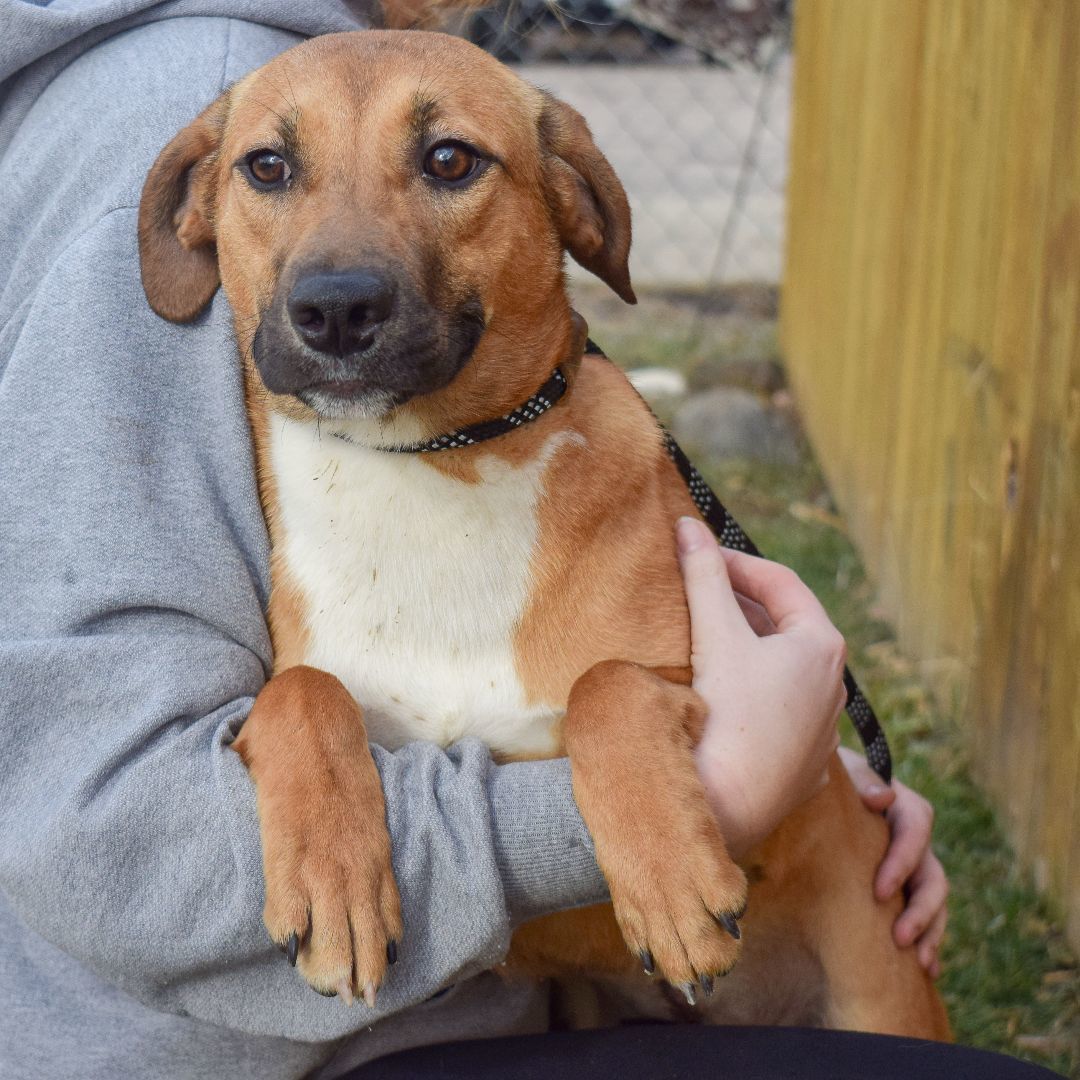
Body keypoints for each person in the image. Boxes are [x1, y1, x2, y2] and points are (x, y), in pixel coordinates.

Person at [0, 2, 945, 1077]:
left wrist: (815, 780)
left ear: (578, 215)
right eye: (270, 175)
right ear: (191, 218)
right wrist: (716, 792)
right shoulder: (200, 86)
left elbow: (739, 727)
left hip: (609, 988)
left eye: (446, 163)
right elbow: (101, 820)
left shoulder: (285, 79)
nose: (341, 285)